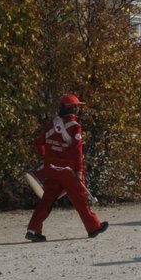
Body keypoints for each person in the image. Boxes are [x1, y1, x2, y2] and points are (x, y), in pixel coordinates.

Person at [26, 93, 108, 243]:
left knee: (46, 201)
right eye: (77, 107)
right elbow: (77, 152)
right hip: (68, 171)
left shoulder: (52, 124)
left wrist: (47, 158)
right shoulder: (75, 127)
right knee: (80, 199)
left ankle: (33, 229)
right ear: (73, 109)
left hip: (51, 169)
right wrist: (79, 172)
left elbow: (39, 144)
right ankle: (93, 227)